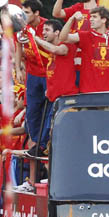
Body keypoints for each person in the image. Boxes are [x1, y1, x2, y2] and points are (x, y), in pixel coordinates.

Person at [58, 3, 109, 96]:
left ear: (104, 19)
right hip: (88, 93)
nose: (90, 19)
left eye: (94, 17)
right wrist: (71, 19)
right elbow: (63, 38)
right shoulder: (86, 36)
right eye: (90, 16)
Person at [33, 19, 78, 153]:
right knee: (48, 128)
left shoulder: (66, 46)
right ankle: (42, 147)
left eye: (47, 30)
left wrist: (36, 39)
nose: (43, 33)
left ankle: (43, 148)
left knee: (57, 130)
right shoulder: (51, 52)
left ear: (57, 32)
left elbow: (57, 49)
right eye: (43, 30)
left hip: (66, 98)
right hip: (54, 98)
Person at [14, 0, 48, 154]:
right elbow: (18, 48)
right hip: (32, 74)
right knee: (32, 109)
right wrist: (18, 69)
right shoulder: (21, 27)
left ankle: (45, 142)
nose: (23, 15)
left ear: (37, 13)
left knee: (48, 108)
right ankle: (36, 142)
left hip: (48, 73)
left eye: (26, 13)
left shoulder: (47, 26)